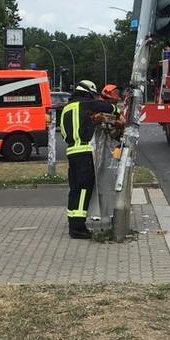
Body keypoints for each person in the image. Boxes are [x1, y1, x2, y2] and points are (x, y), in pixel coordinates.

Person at [60, 80, 118, 239]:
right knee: (84, 189)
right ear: (87, 93)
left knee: (74, 190)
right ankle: (79, 228)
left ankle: (73, 224)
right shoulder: (85, 104)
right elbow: (106, 107)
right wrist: (115, 109)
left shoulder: (67, 108)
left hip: (71, 151)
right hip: (84, 151)